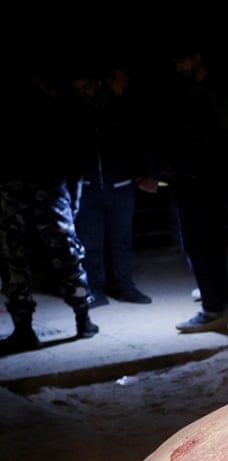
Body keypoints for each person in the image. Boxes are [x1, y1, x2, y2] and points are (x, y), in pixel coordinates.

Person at [0, 70, 97, 353]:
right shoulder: (57, 98)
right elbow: (75, 150)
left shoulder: (54, 98)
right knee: (58, 253)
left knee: (23, 257)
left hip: (36, 184)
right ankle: (80, 319)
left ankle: (67, 321)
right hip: (40, 185)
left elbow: (75, 149)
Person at [153, 49, 228, 333]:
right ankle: (215, 306)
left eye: (182, 59)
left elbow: (212, 137)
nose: (178, 66)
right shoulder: (206, 90)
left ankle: (214, 309)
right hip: (199, 178)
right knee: (204, 245)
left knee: (202, 245)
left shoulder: (208, 93)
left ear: (198, 58)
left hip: (199, 179)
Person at [71, 63, 153, 307]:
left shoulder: (119, 106)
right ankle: (95, 289)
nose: (82, 92)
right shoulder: (75, 111)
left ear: (98, 84)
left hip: (121, 184)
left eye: (86, 87)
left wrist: (141, 173)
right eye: (78, 89)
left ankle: (125, 286)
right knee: (91, 242)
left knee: (122, 240)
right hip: (88, 186)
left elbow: (138, 137)